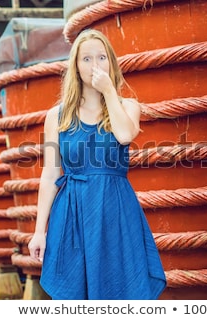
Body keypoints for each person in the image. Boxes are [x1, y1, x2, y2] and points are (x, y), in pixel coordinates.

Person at [28, 29, 167, 300]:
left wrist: (108, 92)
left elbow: (125, 135)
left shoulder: (128, 106)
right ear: (76, 67)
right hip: (71, 212)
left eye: (102, 58)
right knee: (74, 293)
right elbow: (49, 175)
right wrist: (38, 232)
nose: (94, 65)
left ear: (111, 64)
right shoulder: (56, 116)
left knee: (122, 290)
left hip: (115, 210)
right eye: (86, 59)